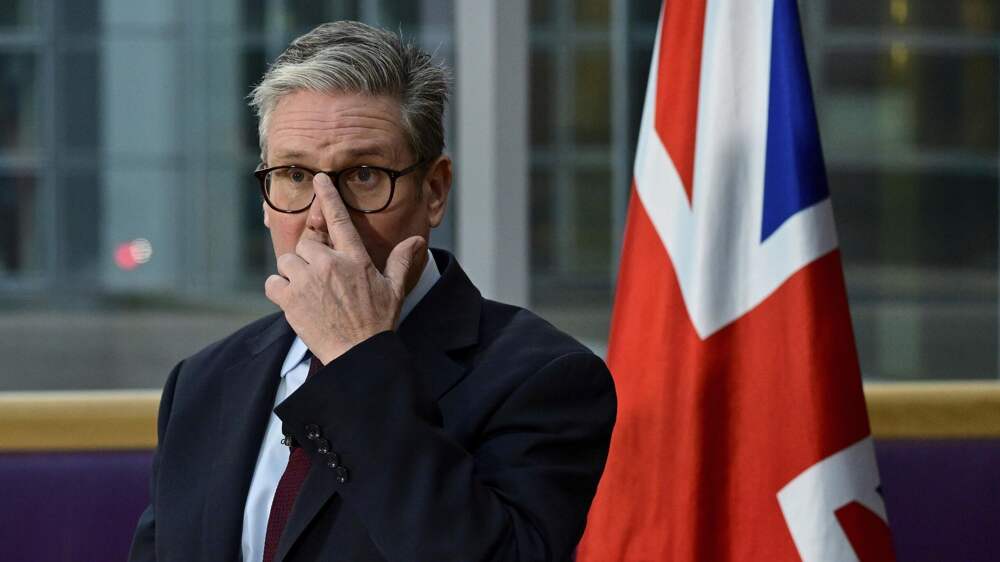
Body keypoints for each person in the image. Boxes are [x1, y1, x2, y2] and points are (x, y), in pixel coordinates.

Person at [128, 21, 616, 562]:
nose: (322, 217)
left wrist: (356, 356)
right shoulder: (203, 380)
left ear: (434, 191)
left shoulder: (544, 378)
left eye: (363, 175)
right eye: (294, 175)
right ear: (265, 199)